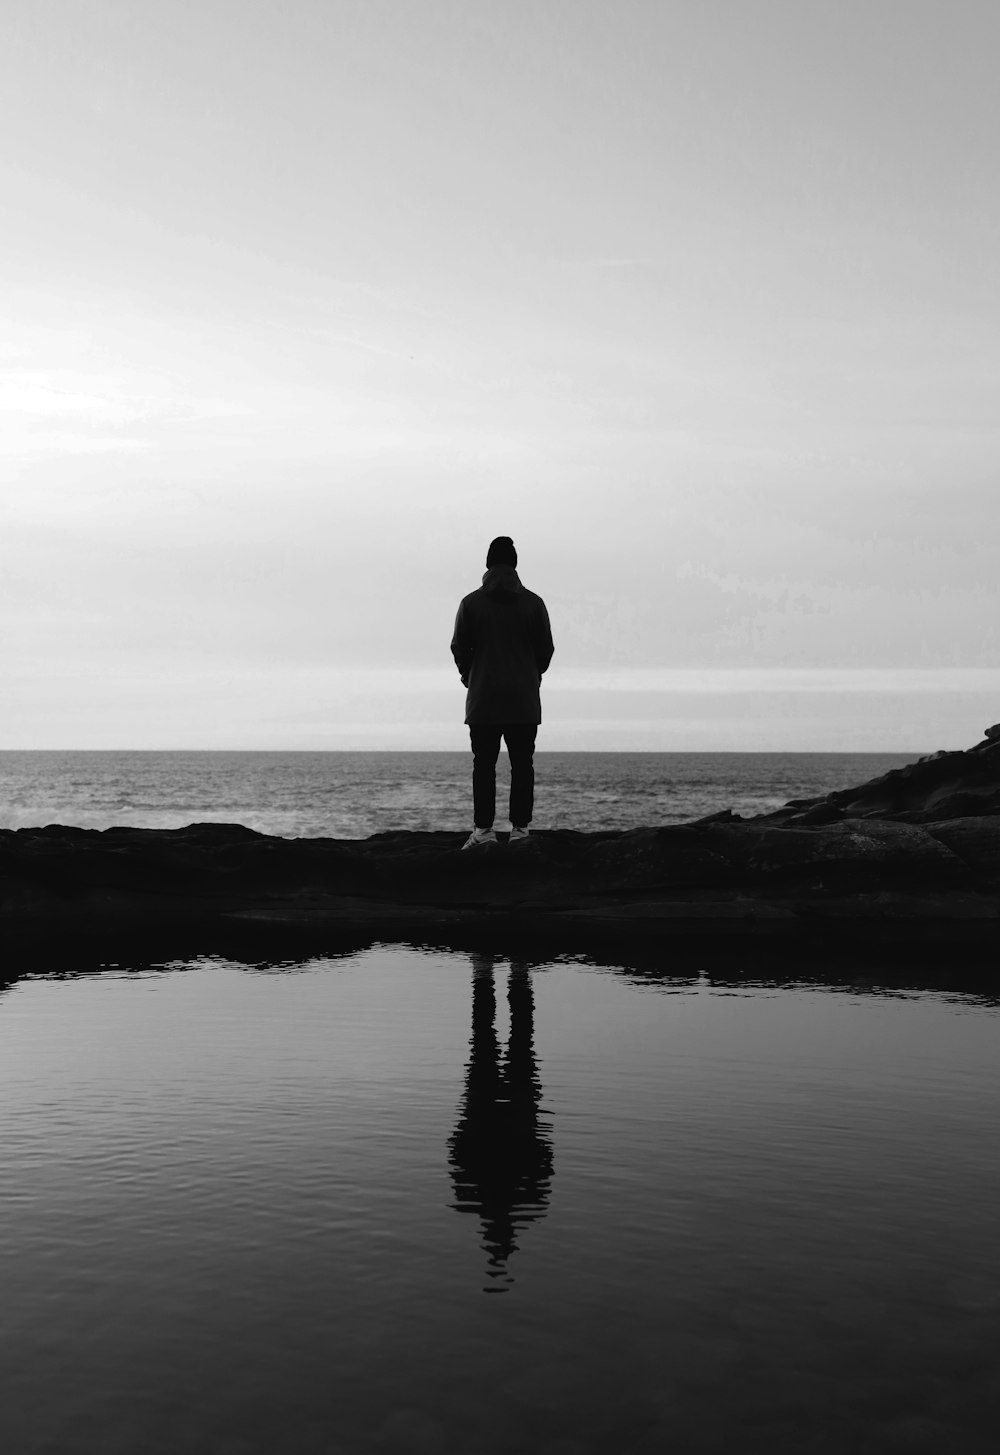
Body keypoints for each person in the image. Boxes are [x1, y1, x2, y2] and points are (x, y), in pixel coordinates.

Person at [450, 536, 554, 849]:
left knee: (484, 766)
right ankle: (520, 831)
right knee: (523, 765)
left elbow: (459, 647)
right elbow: (545, 649)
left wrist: (470, 676)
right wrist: (531, 675)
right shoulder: (534, 603)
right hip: (523, 700)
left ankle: (483, 833)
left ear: (487, 564)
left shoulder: (471, 603)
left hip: (483, 700)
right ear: (515, 565)